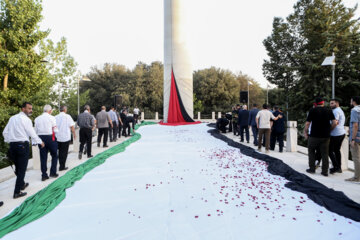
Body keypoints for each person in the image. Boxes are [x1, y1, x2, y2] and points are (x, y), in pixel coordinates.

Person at [3, 102, 44, 198]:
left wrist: (10, 141)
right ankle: (17, 192)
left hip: (13, 146)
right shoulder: (26, 120)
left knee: (18, 168)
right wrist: (40, 142)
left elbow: (5, 132)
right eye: (29, 108)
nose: (31, 110)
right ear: (23, 109)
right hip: (22, 146)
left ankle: (21, 184)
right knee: (22, 170)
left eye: (31, 108)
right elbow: (32, 133)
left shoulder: (12, 118)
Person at [304, 97, 336, 177]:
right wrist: (329, 130)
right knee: (325, 153)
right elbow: (335, 122)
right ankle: (324, 171)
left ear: (316, 103)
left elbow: (307, 123)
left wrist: (305, 132)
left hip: (314, 135)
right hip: (326, 136)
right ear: (323, 103)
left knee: (311, 151)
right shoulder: (329, 110)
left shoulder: (312, 110)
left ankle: (312, 169)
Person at [35, 105, 59, 181]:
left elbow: (35, 130)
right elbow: (55, 130)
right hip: (50, 138)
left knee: (43, 157)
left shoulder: (37, 119)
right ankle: (53, 172)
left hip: (40, 138)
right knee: (54, 155)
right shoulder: (52, 118)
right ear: (50, 111)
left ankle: (44, 175)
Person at [55, 106, 76, 171]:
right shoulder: (68, 116)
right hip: (65, 137)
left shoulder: (55, 117)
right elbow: (72, 126)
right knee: (64, 152)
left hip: (57, 137)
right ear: (65, 110)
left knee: (59, 151)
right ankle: (62, 166)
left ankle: (60, 164)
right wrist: (74, 134)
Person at [329, 99, 346, 174]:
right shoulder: (339, 110)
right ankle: (339, 167)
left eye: (332, 103)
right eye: (330, 103)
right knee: (336, 150)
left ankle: (336, 166)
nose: (330, 105)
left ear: (337, 103)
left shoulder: (336, 111)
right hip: (341, 133)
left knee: (329, 150)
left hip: (336, 134)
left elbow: (335, 123)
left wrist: (329, 130)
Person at [346, 96, 360, 182]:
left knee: (356, 157)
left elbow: (355, 125)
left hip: (357, 137)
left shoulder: (355, 110)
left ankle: (357, 177)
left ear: (354, 102)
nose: (350, 102)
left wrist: (353, 139)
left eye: (351, 101)